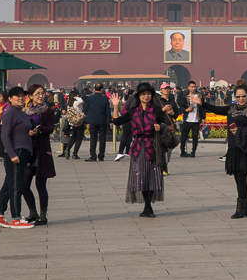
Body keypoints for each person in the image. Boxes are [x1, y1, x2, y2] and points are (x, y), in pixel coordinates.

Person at [201, 84, 247, 218]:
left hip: (244, 149)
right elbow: (215, 109)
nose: (241, 99)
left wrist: (241, 130)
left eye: (243, 96)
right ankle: (246, 207)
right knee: (238, 178)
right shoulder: (231, 108)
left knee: (241, 178)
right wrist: (202, 103)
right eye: (238, 96)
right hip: (233, 147)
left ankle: (241, 208)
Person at [109, 83, 166, 218]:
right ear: (139, 97)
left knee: (152, 176)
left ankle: (148, 206)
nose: (146, 96)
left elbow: (167, 125)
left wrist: (160, 127)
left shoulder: (157, 110)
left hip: (153, 146)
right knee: (141, 177)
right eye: (143, 94)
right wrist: (116, 106)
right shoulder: (133, 111)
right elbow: (117, 122)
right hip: (138, 148)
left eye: (148, 94)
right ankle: (147, 206)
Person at [0, 87, 35, 228]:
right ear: (10, 99)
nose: (21, 98)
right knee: (16, 186)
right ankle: (16, 218)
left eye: (23, 96)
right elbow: (5, 135)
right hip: (17, 153)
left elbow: (21, 129)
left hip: (23, 151)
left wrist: (31, 131)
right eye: (17, 96)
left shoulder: (21, 112)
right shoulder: (10, 113)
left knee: (9, 184)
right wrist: (12, 155)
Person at [21, 85, 57, 225]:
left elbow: (50, 128)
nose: (41, 96)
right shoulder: (25, 111)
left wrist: (39, 129)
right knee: (24, 184)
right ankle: (33, 213)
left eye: (42, 93)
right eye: (37, 94)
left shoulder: (47, 111)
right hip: (29, 151)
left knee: (40, 185)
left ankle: (43, 215)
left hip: (42, 151)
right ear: (30, 96)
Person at [84, 83, 112, 161]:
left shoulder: (90, 98)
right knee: (102, 138)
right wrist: (109, 120)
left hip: (93, 120)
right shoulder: (105, 98)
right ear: (102, 89)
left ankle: (93, 155)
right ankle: (101, 156)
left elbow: (86, 108)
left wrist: (87, 117)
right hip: (102, 120)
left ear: (94, 89)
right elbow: (107, 110)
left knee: (93, 138)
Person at [178, 80, 204, 158]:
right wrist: (186, 110)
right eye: (192, 87)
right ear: (189, 87)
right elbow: (181, 106)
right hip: (187, 119)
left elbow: (203, 107)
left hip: (196, 120)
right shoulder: (185, 96)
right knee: (184, 136)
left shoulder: (200, 95)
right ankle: (182, 151)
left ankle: (193, 152)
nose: (193, 88)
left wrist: (203, 118)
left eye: (194, 86)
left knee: (195, 137)